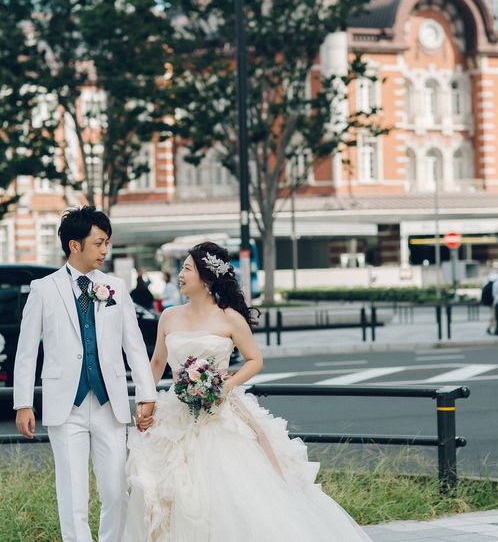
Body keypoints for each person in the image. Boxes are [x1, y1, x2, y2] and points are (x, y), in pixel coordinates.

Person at [124, 242, 371, 542]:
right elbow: (157, 363)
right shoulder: (169, 316)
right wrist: (145, 401)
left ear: (206, 278)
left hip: (219, 412)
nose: (180, 275)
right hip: (176, 414)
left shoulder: (230, 317)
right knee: (170, 487)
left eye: (187, 269)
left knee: (229, 489)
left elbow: (255, 360)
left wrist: (224, 386)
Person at [13, 206, 157, 542]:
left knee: (116, 493)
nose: (106, 250)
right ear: (75, 245)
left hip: (110, 404)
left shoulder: (115, 287)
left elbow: (135, 347)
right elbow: (26, 351)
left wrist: (146, 395)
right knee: (73, 495)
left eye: (107, 242)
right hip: (66, 407)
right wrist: (23, 403)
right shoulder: (44, 289)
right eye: (99, 243)